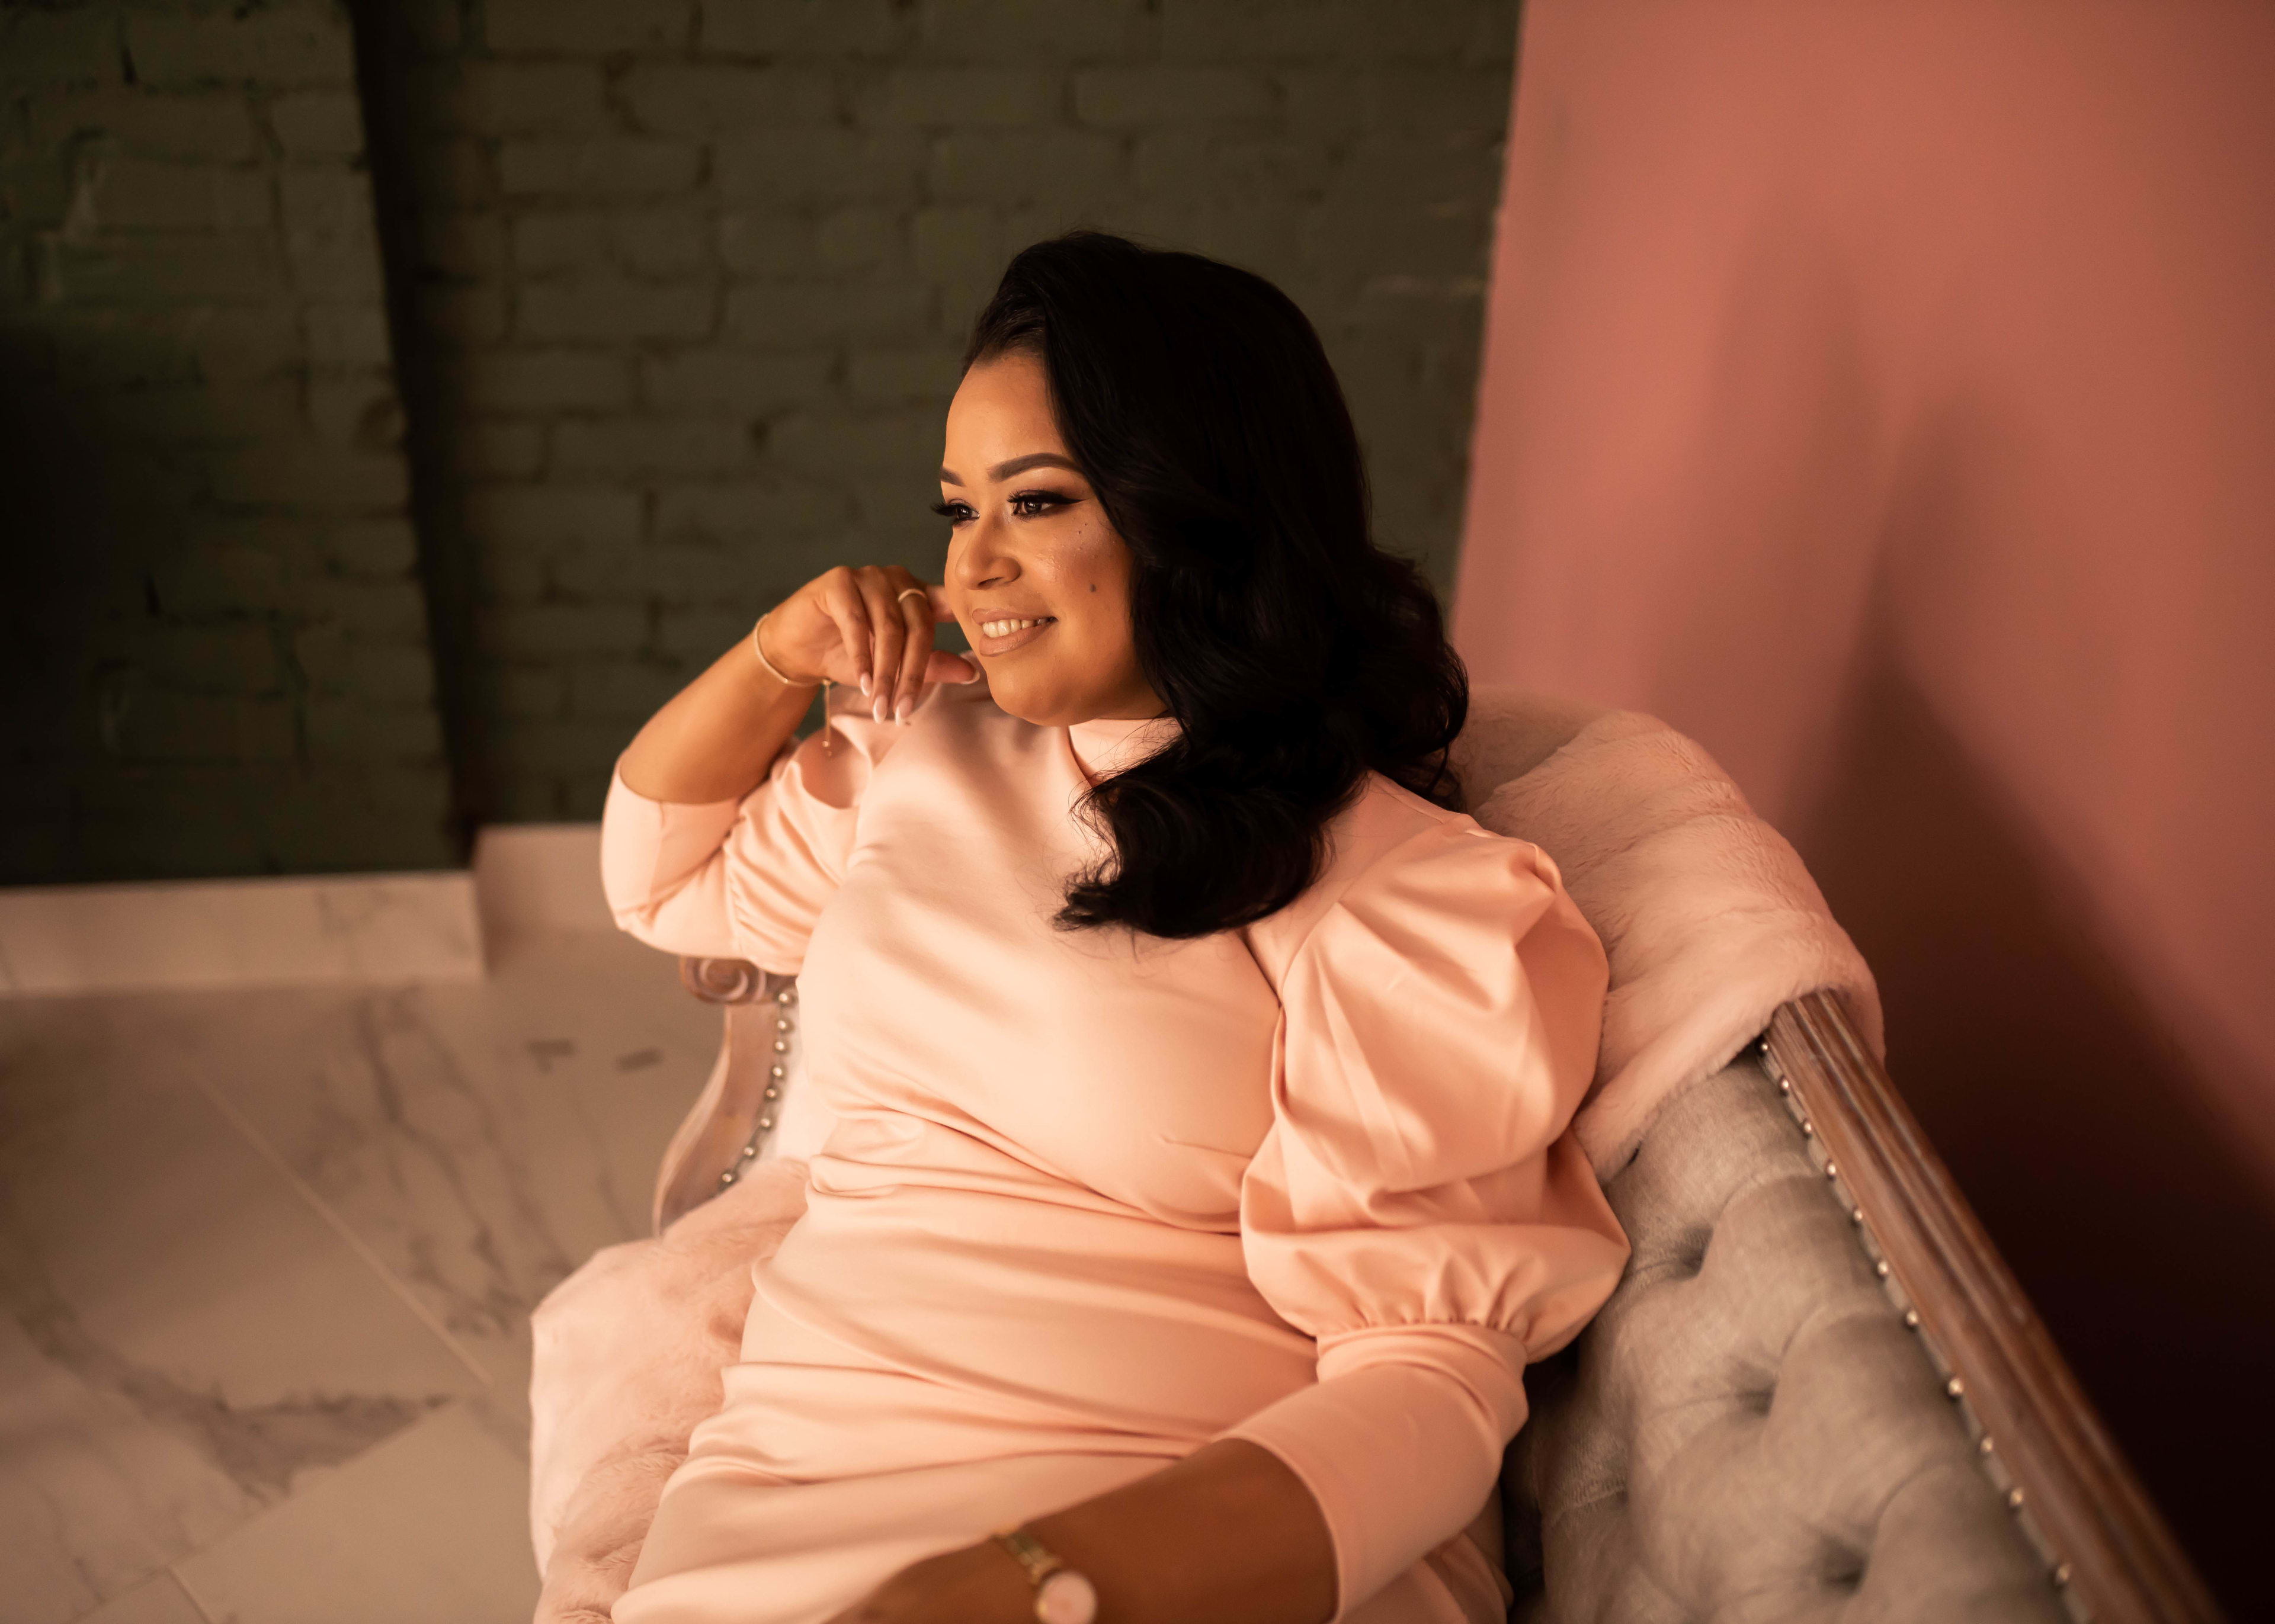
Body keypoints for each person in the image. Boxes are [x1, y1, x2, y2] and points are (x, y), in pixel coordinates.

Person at [598, 232, 1629, 1624]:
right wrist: (780, 654)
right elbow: (664, 885)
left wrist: (1035, 1586)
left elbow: (1428, 1386)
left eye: (1036, 504)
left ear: (1203, 516)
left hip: (1173, 1527)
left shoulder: (1404, 893)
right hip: (782, 1490)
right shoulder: (924, 753)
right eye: (956, 509)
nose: (971, 568)